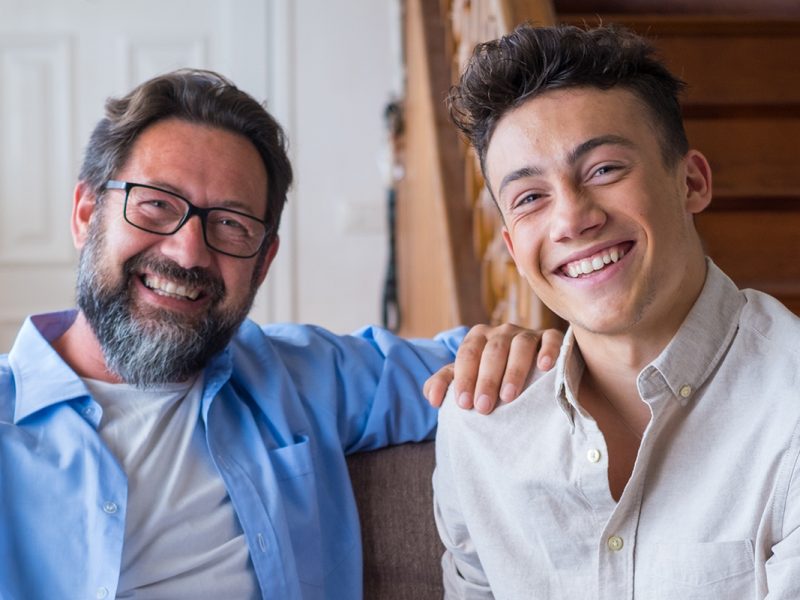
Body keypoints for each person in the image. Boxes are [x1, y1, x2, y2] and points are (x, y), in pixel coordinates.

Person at [0, 69, 561, 600]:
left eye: (230, 224)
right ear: (85, 214)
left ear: (263, 261)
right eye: (155, 205)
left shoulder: (302, 377)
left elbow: (488, 364)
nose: (188, 251)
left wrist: (511, 346)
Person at [433, 23, 800, 599]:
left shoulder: (789, 406)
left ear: (691, 182)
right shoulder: (481, 420)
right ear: (512, 248)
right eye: (530, 197)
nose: (571, 219)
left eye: (604, 169)